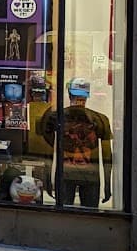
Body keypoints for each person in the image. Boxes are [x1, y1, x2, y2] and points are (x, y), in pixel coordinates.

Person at [38, 78, 114, 207]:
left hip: (67, 173)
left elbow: (47, 151)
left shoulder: (56, 117)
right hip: (89, 175)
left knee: (64, 215)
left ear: (69, 94)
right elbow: (107, 155)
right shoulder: (100, 119)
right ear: (87, 96)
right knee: (90, 217)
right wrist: (107, 184)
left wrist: (47, 179)